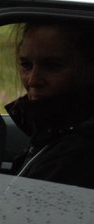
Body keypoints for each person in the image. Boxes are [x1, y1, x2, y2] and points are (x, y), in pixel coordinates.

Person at [5, 20, 94, 188]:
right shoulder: (54, 133)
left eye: (52, 66)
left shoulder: (78, 153)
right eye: (26, 65)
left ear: (89, 69)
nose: (32, 80)